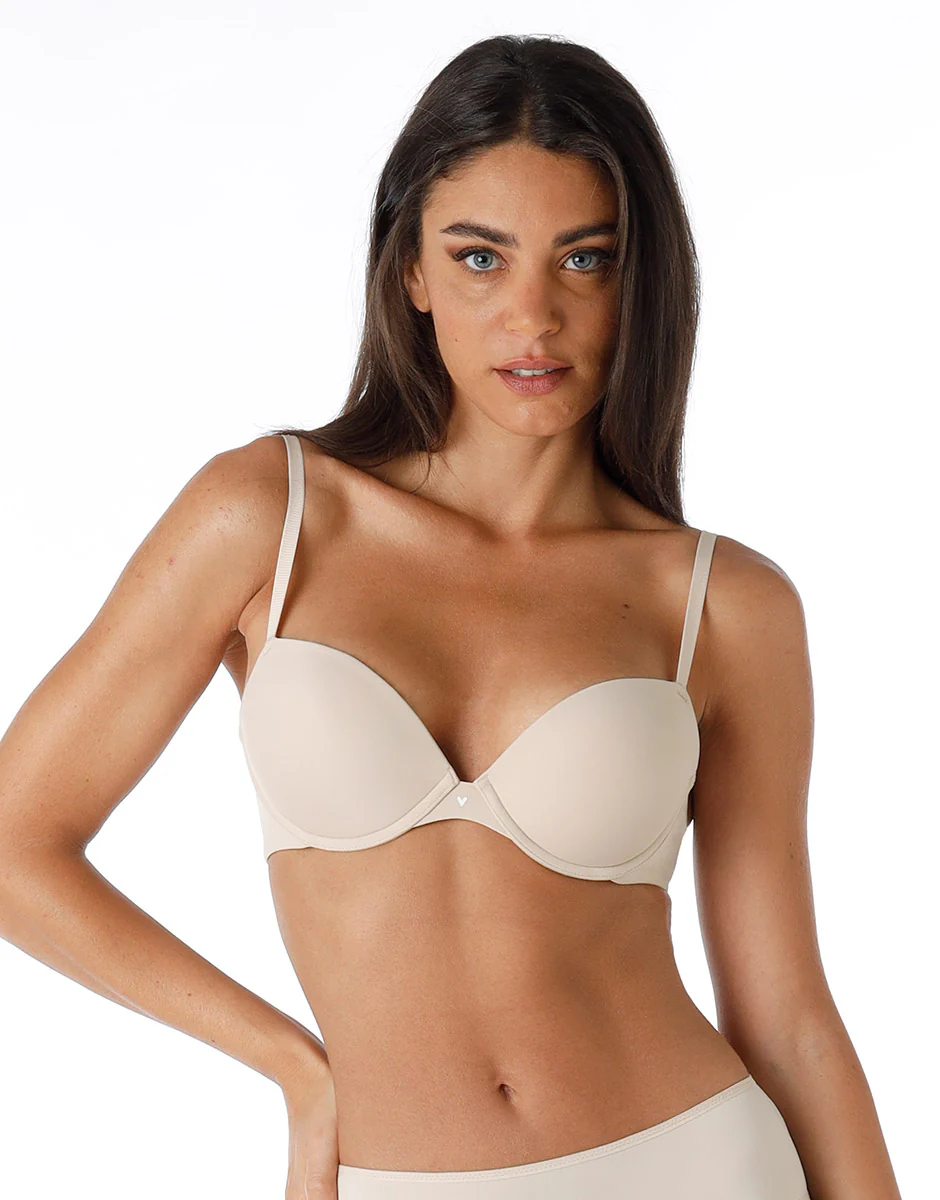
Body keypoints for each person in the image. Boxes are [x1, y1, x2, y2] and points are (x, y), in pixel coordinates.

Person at [0, 33, 901, 1200]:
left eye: (584, 260)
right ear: (411, 272)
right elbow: (16, 845)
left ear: (638, 284)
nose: (532, 317)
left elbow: (787, 1018)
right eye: (480, 258)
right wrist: (296, 1072)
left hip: (695, 1163)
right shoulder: (269, 519)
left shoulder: (721, 605)